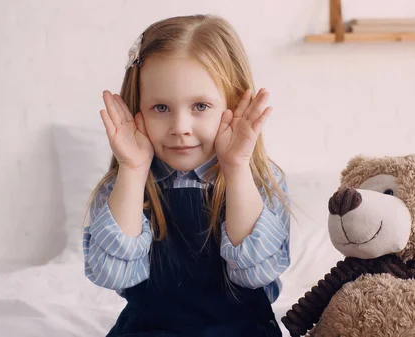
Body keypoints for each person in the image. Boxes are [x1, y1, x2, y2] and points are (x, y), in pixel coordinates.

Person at [82, 14, 291, 337]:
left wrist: (236, 168)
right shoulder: (125, 183)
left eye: (200, 106)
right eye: (161, 108)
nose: (180, 127)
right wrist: (134, 171)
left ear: (233, 104)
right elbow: (113, 275)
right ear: (138, 107)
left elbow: (257, 273)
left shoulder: (262, 180)